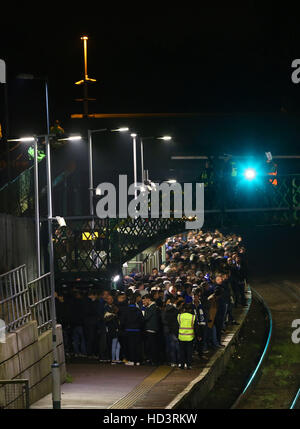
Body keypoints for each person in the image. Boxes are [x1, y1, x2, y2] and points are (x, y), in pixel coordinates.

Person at [120, 294, 144, 366]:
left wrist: (122, 328)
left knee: (130, 346)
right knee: (137, 346)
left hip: (128, 330)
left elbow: (122, 321)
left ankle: (131, 360)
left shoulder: (125, 310)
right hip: (137, 330)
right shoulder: (138, 310)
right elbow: (142, 320)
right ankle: (137, 361)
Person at [142, 293, 160, 365]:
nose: (143, 303)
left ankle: (153, 360)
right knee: (152, 345)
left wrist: (144, 308)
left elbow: (145, 317)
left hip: (151, 329)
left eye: (144, 301)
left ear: (148, 299)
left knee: (152, 346)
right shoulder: (154, 307)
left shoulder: (152, 307)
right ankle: (152, 360)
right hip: (152, 329)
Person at [162, 296, 180, 366]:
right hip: (174, 330)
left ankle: (171, 361)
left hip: (167, 330)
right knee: (176, 346)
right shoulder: (176, 311)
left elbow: (163, 320)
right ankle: (178, 361)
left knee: (169, 346)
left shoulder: (165, 310)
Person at [69, 290, 87, 357]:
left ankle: (76, 352)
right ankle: (83, 352)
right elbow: (83, 313)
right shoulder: (82, 303)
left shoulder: (71, 303)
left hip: (73, 324)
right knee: (82, 339)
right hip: (80, 323)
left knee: (75, 339)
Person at [177, 303, 195, 369]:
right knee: (189, 351)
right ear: (190, 309)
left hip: (181, 336)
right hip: (190, 337)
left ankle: (182, 364)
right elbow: (196, 327)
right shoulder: (193, 317)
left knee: (182, 351)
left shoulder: (179, 316)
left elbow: (178, 325)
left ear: (184, 309)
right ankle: (189, 365)